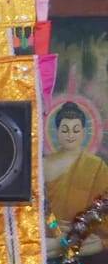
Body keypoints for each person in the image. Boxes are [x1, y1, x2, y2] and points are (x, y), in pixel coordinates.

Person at [45, 101, 108, 250]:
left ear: (84, 133)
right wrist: (54, 227)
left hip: (85, 234)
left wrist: (85, 227)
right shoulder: (43, 165)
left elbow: (105, 206)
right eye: (65, 130)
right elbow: (39, 207)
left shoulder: (96, 166)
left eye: (76, 130)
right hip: (50, 233)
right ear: (57, 132)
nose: (70, 135)